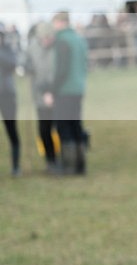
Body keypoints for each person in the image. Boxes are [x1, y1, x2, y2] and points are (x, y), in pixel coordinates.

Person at [46, 12, 89, 175]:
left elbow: (61, 69)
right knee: (76, 125)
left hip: (65, 90)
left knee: (64, 127)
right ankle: (81, 165)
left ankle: (69, 166)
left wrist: (52, 90)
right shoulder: (79, 39)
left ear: (59, 22)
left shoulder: (61, 41)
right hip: (78, 88)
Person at [26, 22, 59, 173]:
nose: (47, 41)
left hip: (56, 94)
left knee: (60, 127)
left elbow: (59, 71)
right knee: (44, 129)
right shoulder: (32, 47)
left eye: (49, 38)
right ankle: (50, 160)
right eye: (44, 38)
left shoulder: (58, 48)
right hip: (40, 95)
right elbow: (26, 63)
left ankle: (64, 158)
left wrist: (50, 91)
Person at [0, 24, 21, 176]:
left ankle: (15, 166)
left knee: (11, 130)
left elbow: (13, 64)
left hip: (7, 95)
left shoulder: (7, 50)